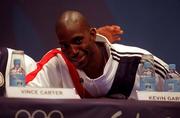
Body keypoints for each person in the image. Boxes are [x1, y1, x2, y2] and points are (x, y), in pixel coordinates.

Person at [26, 10, 169, 99]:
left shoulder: (138, 62)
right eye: (65, 45)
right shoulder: (57, 62)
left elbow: (175, 92)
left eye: (78, 40)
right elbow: (22, 96)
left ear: (93, 35)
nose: (73, 51)